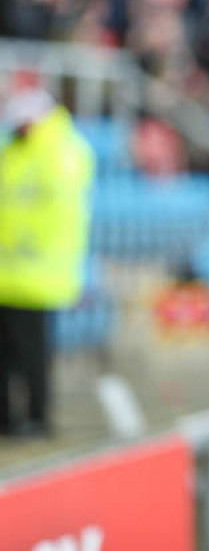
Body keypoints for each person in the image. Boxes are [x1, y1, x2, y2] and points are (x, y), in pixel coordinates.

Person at [0, 87, 95, 438]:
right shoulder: (13, 152)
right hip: (8, 271)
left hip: (38, 273)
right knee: (7, 354)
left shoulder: (63, 151)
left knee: (33, 353)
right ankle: (7, 418)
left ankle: (38, 418)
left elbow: (56, 211)